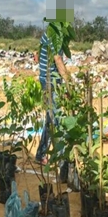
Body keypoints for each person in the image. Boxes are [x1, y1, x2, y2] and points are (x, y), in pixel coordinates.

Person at [35, 31, 69, 169]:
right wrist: (68, 83)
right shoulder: (55, 36)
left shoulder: (46, 33)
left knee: (51, 118)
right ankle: (62, 161)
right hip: (51, 82)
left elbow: (36, 55)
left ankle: (41, 153)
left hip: (45, 80)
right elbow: (58, 59)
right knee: (57, 119)